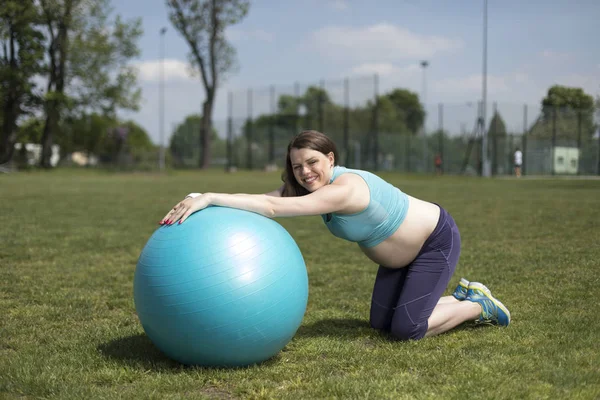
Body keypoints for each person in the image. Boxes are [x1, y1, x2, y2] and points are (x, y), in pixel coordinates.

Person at [160, 130, 510, 341]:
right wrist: (207, 197)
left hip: (433, 241)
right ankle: (465, 295)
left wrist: (209, 196)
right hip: (399, 258)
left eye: (312, 162)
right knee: (381, 324)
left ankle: (477, 305)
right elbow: (267, 198)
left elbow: (273, 210)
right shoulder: (310, 185)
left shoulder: (345, 190)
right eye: (297, 167)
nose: (305, 172)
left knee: (408, 330)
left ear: (330, 158)